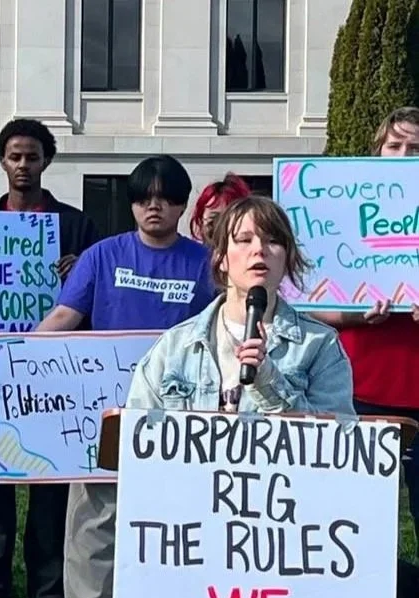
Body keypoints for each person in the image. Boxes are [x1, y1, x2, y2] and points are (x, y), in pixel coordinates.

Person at [0, 156, 215, 598]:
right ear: (131, 204)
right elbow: (63, 317)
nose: (154, 206)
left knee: (174, 512)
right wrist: (9, 364)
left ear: (182, 204)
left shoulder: (205, 264)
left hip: (178, 407)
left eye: (166, 198)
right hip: (101, 407)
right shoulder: (102, 256)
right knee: (94, 511)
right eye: (143, 198)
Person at [0, 119, 100, 598]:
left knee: (51, 484)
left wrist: (82, 273)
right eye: (15, 156)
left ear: (46, 161)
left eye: (32, 156)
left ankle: (49, 589)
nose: (23, 165)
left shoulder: (78, 228)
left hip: (56, 378)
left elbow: (100, 305)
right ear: (2, 161)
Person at [127, 194, 353, 415]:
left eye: (273, 241)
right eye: (244, 240)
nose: (259, 250)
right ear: (221, 258)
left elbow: (336, 433)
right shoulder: (174, 346)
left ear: (287, 259)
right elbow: (136, 430)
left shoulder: (319, 345)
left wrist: (268, 382)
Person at [317, 107, 419, 547]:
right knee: (353, 511)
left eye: (415, 148)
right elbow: (308, 305)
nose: (404, 156)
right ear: (377, 151)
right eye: (395, 146)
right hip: (357, 385)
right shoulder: (340, 210)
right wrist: (355, 315)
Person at [189, 173, 251, 243]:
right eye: (214, 218)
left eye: (230, 219)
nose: (221, 227)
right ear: (200, 222)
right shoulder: (190, 249)